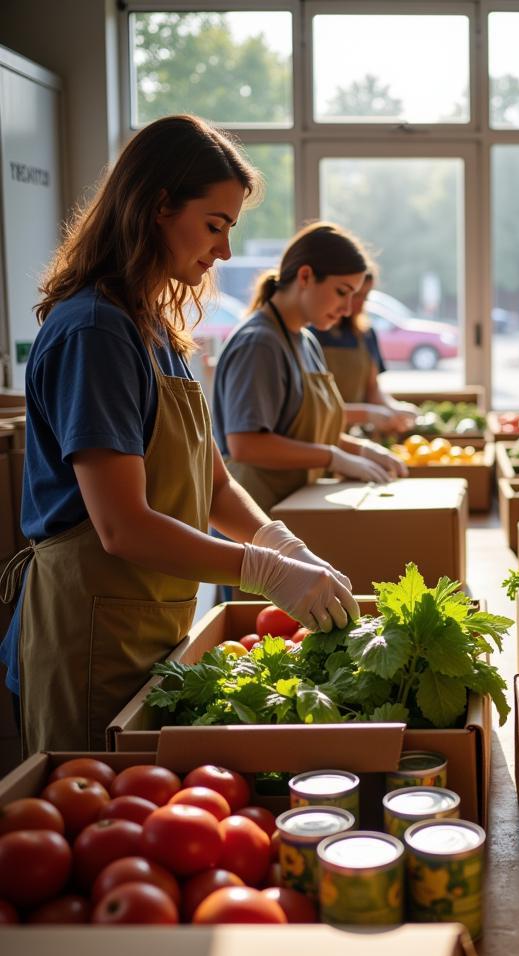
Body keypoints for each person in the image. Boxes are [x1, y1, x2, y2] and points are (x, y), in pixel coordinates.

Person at [0, 115, 359, 754]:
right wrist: (266, 573)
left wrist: (282, 543)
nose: (224, 251)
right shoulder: (96, 332)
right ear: (156, 208)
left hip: (150, 622)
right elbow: (123, 526)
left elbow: (214, 480)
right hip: (92, 636)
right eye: (214, 225)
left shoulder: (154, 329)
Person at [213, 223, 407, 516]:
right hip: (255, 520)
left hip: (291, 511)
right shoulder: (260, 344)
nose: (347, 308)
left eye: (354, 296)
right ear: (305, 276)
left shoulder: (306, 340)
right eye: (342, 292)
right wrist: (333, 458)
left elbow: (309, 435)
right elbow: (246, 445)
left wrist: (360, 451)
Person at [309, 266, 419, 433]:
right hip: (318, 433)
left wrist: (394, 409)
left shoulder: (365, 335)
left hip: (353, 433)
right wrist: (366, 414)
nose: (360, 304)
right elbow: (311, 407)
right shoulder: (309, 335)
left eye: (366, 296)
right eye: (356, 295)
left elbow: (372, 389)